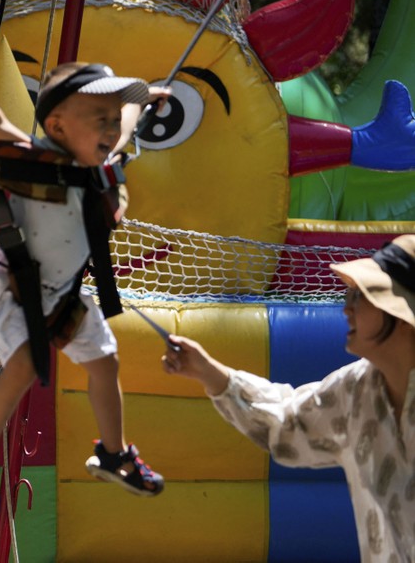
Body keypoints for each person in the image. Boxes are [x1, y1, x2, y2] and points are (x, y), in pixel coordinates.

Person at [0, 61, 171, 516]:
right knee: (21, 365)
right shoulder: (29, 163)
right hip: (13, 292)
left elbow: (129, 122)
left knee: (105, 362)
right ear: (56, 125)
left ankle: (114, 455)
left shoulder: (100, 167)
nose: (113, 129)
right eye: (101, 119)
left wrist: (141, 99)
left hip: (64, 293)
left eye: (114, 120)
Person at [161, 235, 415, 562]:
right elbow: (288, 423)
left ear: (403, 315)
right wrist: (209, 373)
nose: (346, 308)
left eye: (360, 295)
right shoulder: (357, 389)